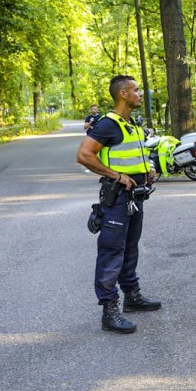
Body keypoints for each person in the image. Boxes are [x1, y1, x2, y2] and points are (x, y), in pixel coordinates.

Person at [76, 76, 161, 334]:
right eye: (136, 90)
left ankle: (132, 296)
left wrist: (150, 168)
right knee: (112, 251)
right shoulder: (107, 124)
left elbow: (135, 155)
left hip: (136, 196)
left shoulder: (131, 124)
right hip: (117, 197)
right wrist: (116, 176)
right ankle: (109, 309)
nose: (140, 94)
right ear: (123, 94)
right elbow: (84, 155)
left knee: (130, 248)